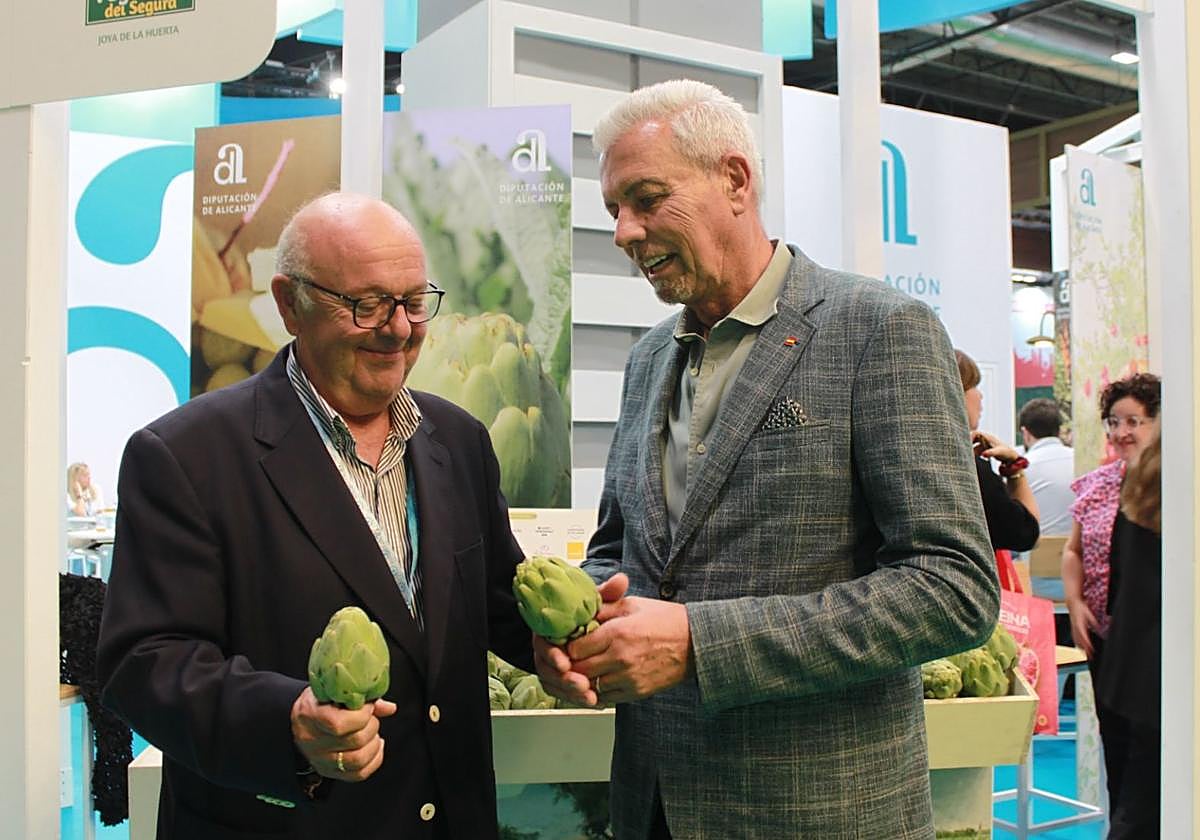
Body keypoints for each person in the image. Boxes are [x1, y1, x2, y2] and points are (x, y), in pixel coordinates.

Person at [535, 79, 998, 839]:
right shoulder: (648, 361)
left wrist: (698, 643)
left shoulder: (880, 329)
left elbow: (953, 587)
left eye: (646, 199)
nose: (623, 231)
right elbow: (622, 549)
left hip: (816, 811)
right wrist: (576, 627)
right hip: (652, 802)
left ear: (735, 180)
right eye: (614, 208)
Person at [97, 193, 532, 840]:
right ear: (288, 303)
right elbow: (145, 665)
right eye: (367, 305)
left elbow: (496, 606)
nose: (399, 329)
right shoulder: (185, 456)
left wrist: (580, 638)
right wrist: (288, 722)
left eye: (415, 302)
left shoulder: (459, 440)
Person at [1060, 371, 1160, 820]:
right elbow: (1072, 550)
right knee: (1116, 744)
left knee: (1152, 756)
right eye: (1114, 422)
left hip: (1155, 648)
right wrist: (1076, 603)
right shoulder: (1098, 485)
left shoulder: (1174, 488)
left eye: (1134, 421)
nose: (1122, 433)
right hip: (1106, 642)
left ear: (1158, 424)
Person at [1096, 430, 1161, 839]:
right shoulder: (1162, 472)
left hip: (1131, 669)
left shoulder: (1144, 474)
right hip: (1155, 675)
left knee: (1135, 800)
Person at [956, 350, 1040, 553]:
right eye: (973, 386)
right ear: (956, 392)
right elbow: (1027, 535)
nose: (980, 395)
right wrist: (1014, 468)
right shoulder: (969, 468)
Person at [1018, 397, 1075, 536]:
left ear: (1025, 433)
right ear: (1059, 429)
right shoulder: (1079, 460)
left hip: (1034, 554)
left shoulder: (1020, 468)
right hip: (1080, 551)